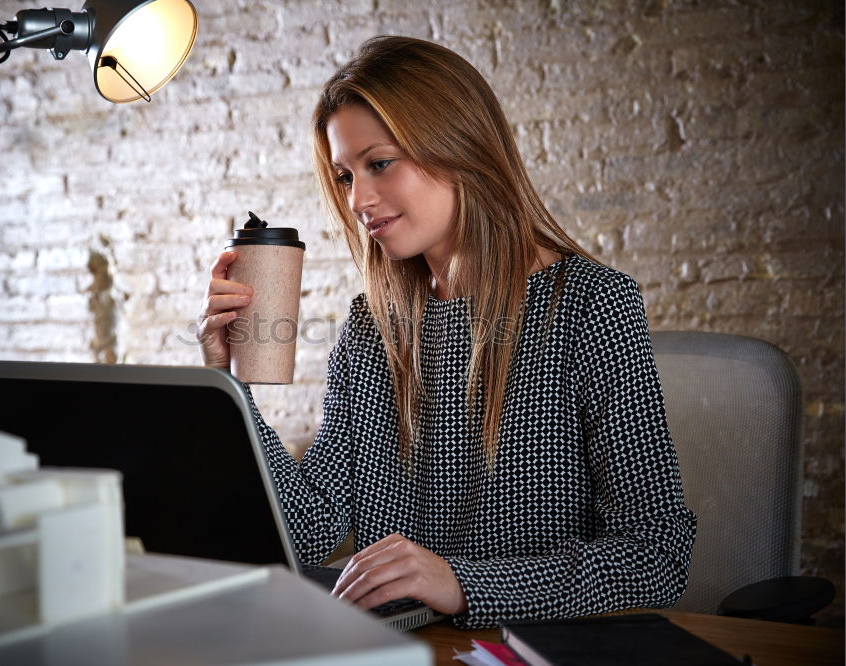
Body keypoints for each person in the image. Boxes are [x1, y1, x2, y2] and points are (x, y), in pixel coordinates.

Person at [197, 35, 696, 629]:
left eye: (379, 164)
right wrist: (230, 387)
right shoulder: (371, 327)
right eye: (345, 177)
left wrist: (461, 583)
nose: (359, 200)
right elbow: (303, 533)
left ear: (461, 148)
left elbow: (657, 555)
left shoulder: (590, 304)